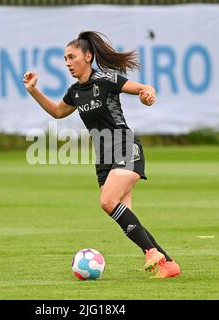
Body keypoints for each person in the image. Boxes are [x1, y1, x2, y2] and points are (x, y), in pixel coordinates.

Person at [23, 31, 180, 278]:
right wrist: (33, 90)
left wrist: (148, 94)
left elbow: (142, 88)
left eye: (72, 57)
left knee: (107, 202)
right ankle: (168, 264)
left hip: (125, 146)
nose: (67, 63)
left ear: (87, 56)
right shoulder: (75, 91)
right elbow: (56, 111)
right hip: (104, 157)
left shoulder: (106, 79)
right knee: (124, 216)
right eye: (65, 58)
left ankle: (151, 252)